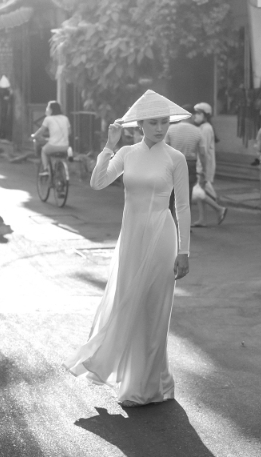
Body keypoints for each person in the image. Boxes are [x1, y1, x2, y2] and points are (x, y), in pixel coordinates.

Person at [64, 90, 191, 407]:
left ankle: (149, 386)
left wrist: (184, 251)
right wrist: (109, 144)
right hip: (131, 239)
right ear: (140, 124)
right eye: (153, 122)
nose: (160, 128)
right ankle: (142, 380)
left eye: (164, 122)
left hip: (163, 238)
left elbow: (184, 207)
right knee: (128, 304)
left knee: (155, 312)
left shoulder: (175, 159)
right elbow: (98, 182)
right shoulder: (127, 153)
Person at [166, 108, 206, 219]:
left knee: (171, 194)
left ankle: (169, 222)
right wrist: (204, 170)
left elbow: (164, 149)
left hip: (173, 164)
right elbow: (202, 153)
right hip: (190, 164)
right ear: (191, 116)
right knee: (186, 195)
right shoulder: (197, 131)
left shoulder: (171, 129)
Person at [191, 102, 227, 227]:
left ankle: (219, 209)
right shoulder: (203, 127)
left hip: (204, 165)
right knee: (200, 191)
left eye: (198, 113)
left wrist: (201, 169)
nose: (196, 115)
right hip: (203, 164)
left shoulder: (206, 128)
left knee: (200, 191)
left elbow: (203, 151)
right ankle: (202, 219)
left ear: (206, 115)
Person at [31, 100, 71, 174]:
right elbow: (69, 132)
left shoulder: (48, 119)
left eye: (47, 108)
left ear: (51, 110)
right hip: (65, 146)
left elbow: (41, 131)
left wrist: (34, 136)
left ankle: (46, 169)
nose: (46, 109)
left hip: (53, 146)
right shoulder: (65, 118)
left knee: (44, 151)